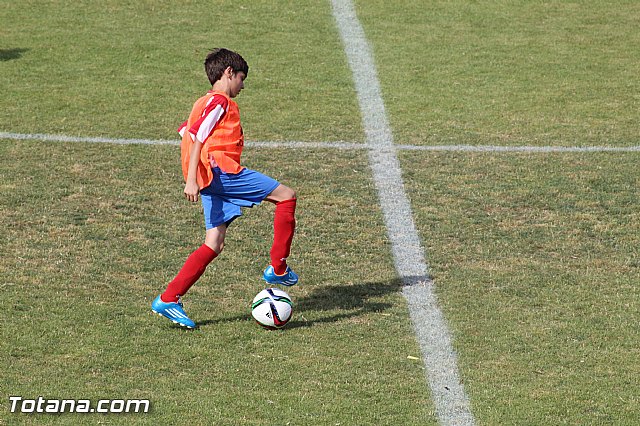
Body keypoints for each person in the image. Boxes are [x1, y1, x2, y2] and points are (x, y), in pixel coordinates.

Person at [152, 48, 298, 329]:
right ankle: (278, 269)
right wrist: (192, 178)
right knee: (286, 196)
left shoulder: (203, 101)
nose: (243, 86)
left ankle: (168, 298)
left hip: (209, 178)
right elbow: (195, 136)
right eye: (241, 78)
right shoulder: (220, 101)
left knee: (213, 244)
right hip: (220, 173)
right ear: (228, 73)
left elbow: (184, 130)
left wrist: (197, 174)